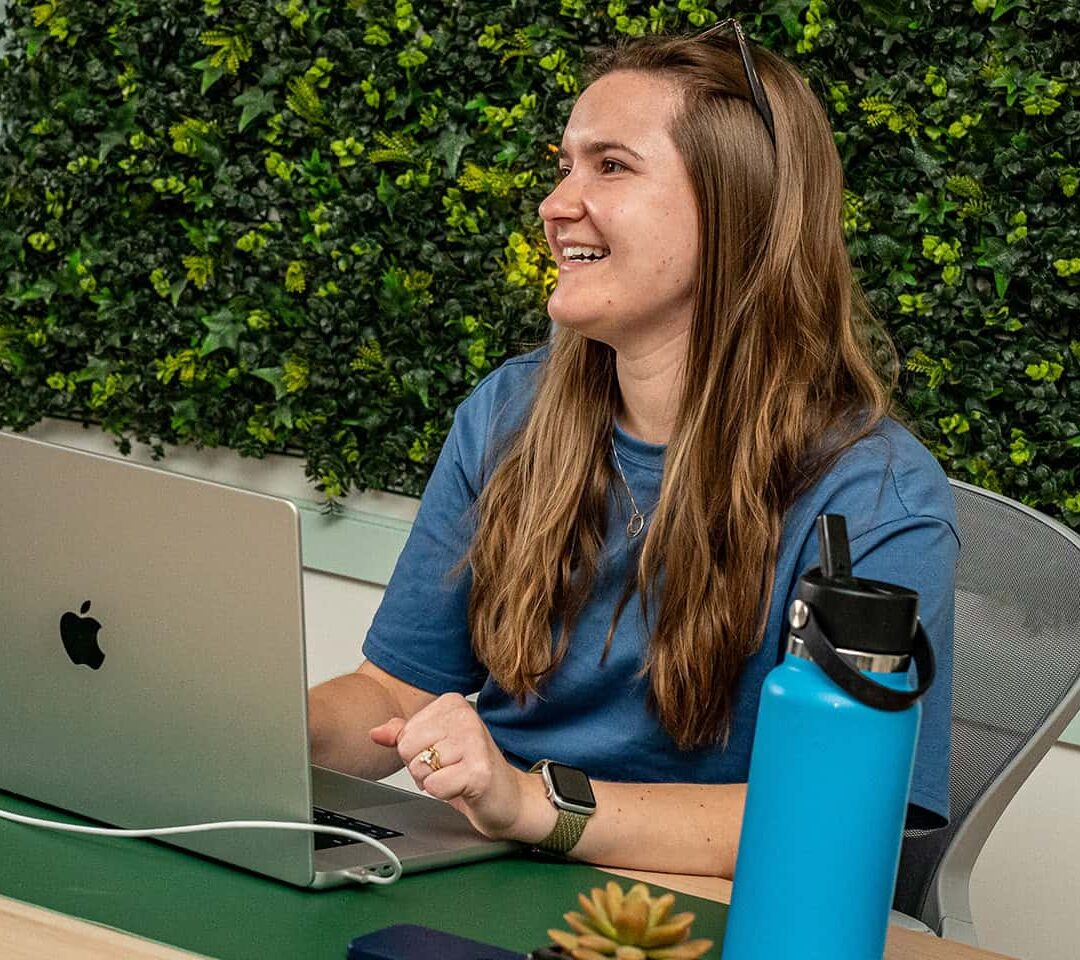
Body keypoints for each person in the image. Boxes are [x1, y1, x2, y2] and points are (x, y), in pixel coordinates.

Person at [308, 22, 959, 879]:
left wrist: (537, 805)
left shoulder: (875, 497)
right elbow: (397, 693)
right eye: (564, 165)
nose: (554, 205)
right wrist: (238, 725)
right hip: (485, 879)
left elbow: (837, 813)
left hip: (704, 910)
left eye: (610, 166)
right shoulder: (510, 412)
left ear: (740, 209)